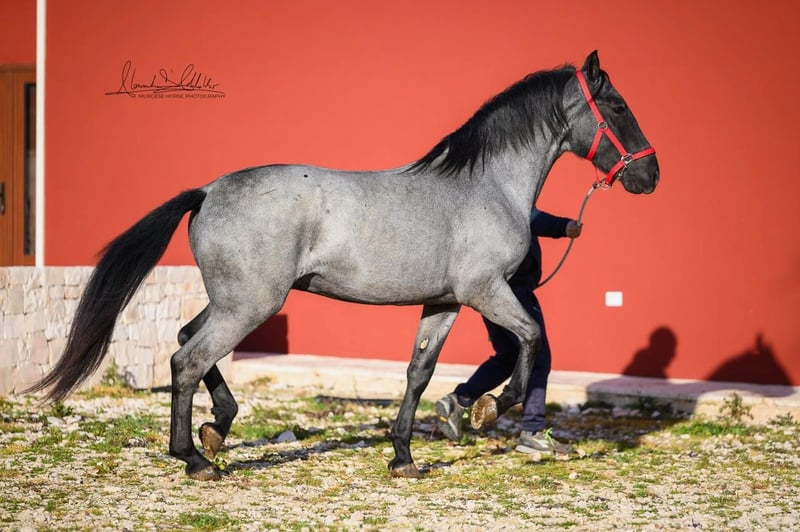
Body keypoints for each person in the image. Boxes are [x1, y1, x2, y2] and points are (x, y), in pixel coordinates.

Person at [436, 208, 581, 454]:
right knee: (537, 359)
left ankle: (458, 401)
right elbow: (528, 215)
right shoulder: (508, 200)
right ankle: (532, 432)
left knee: (508, 356)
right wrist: (564, 227)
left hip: (491, 291)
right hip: (516, 292)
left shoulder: (482, 202)